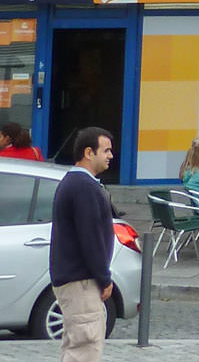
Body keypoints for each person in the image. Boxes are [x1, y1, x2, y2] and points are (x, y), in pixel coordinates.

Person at [52, 127, 115, 361]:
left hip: (77, 279)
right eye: (106, 150)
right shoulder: (83, 187)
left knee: (77, 346)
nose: (110, 156)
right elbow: (91, 238)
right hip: (82, 282)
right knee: (84, 349)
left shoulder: (77, 183)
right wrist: (104, 277)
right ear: (89, 152)